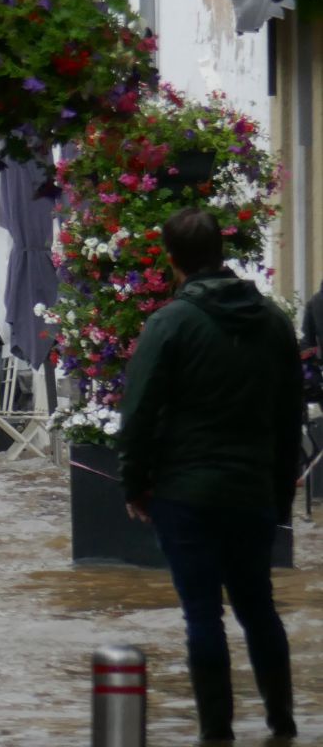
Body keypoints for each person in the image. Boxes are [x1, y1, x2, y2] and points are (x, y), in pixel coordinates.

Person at [118, 207, 302, 744]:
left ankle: (216, 732)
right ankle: (282, 722)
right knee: (258, 606)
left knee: (203, 614)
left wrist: (134, 483)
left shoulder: (170, 322)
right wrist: (279, 494)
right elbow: (289, 416)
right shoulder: (273, 322)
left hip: (186, 492)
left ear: (170, 259)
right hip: (252, 492)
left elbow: (140, 411)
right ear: (221, 252)